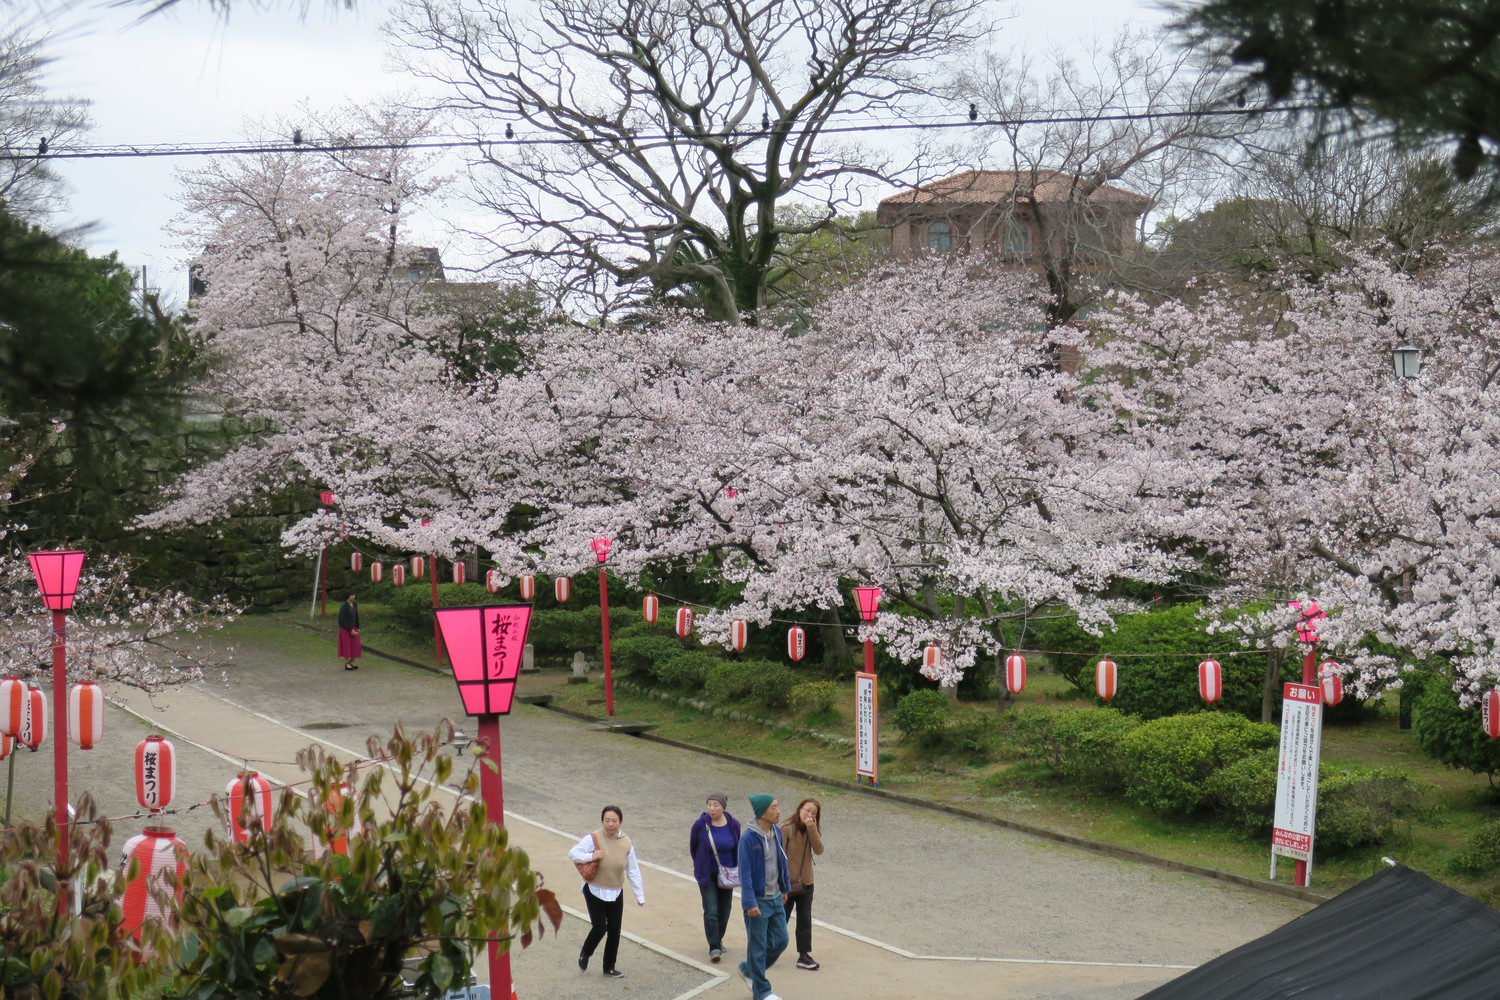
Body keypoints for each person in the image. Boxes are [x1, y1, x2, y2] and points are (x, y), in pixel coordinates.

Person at [568, 805, 644, 978]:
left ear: (621, 822)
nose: (610, 824)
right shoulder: (594, 838)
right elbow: (573, 853)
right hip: (594, 889)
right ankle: (585, 953)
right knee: (600, 927)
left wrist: (639, 895)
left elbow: (633, 870)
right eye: (607, 820)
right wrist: (591, 856)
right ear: (602, 821)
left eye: (614, 821)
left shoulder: (626, 843)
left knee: (615, 930)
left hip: (616, 891)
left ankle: (609, 967)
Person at [736, 794, 790, 1000]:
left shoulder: (776, 832)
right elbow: (745, 873)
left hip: (776, 897)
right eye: (773, 807)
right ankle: (762, 992)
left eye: (778, 806)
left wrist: (784, 888)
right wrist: (749, 902)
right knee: (757, 947)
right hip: (758, 901)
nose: (778, 811)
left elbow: (781, 862)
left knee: (781, 940)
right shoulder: (748, 839)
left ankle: (749, 970)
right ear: (762, 812)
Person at [689, 790, 741, 963]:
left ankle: (718, 938)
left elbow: (737, 847)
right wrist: (700, 864)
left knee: (724, 910)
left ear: (723, 807)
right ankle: (714, 947)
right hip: (707, 874)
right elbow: (694, 847)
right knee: (711, 909)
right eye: (709, 804)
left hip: (727, 874)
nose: (712, 808)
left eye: (715, 805)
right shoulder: (700, 825)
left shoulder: (733, 824)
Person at [781, 797, 824, 970]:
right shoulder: (786, 828)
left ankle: (804, 955)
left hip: (806, 883)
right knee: (780, 919)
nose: (809, 815)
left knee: (804, 919)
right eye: (807, 810)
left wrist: (812, 829)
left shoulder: (813, 828)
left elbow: (819, 850)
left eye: (814, 813)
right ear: (800, 809)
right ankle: (768, 948)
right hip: (787, 883)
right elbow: (778, 856)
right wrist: (780, 882)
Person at [336, 594, 361, 670]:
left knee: (356, 644)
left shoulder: (355, 604)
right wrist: (350, 629)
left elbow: (356, 616)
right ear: (347, 596)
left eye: (354, 595)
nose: (353, 597)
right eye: (351, 595)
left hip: (354, 627)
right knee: (346, 645)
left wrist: (358, 627)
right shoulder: (344, 606)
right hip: (345, 628)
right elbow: (341, 620)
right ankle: (346, 663)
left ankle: (352, 661)